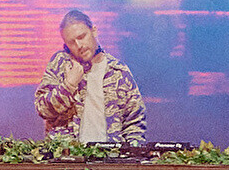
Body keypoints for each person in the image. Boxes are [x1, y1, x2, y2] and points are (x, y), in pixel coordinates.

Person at [33, 10, 147, 148]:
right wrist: (69, 85)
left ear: (94, 31)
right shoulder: (61, 64)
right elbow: (42, 109)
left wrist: (131, 155)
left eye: (81, 37)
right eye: (71, 42)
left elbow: (135, 122)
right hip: (68, 155)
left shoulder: (118, 71)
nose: (79, 45)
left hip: (110, 156)